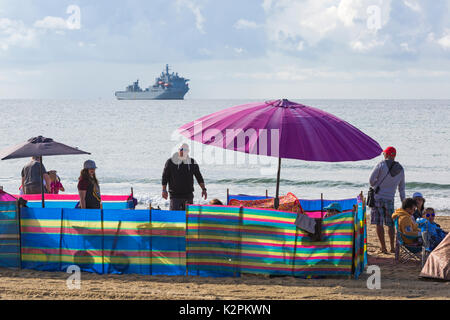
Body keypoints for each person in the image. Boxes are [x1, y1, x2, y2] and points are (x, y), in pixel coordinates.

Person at [369, 146, 406, 254]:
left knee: (379, 223)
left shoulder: (381, 164)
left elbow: (371, 181)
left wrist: (377, 184)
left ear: (387, 154)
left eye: (384, 153)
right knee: (390, 224)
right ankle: (392, 247)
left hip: (377, 198)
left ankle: (383, 247)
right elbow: (402, 188)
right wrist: (404, 203)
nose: (383, 155)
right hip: (390, 199)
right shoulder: (400, 169)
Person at [162, 143, 207, 210]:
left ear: (188, 151)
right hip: (175, 196)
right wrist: (164, 190)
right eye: (181, 149)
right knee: (175, 218)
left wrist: (203, 189)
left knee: (188, 219)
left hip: (188, 196)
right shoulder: (170, 162)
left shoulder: (192, 162)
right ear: (178, 150)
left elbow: (199, 177)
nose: (183, 151)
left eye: (185, 150)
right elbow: (165, 177)